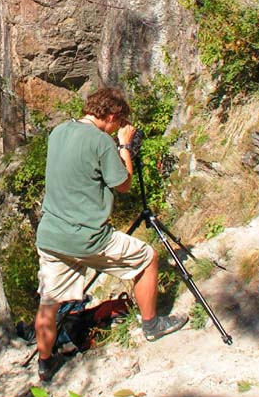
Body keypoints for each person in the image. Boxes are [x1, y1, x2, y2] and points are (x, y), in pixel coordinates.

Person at [34, 87, 188, 382]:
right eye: (120, 121)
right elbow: (124, 184)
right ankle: (151, 324)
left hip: (51, 235)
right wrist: (125, 148)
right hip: (88, 237)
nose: (120, 126)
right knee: (147, 257)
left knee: (49, 302)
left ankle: (45, 364)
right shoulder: (101, 141)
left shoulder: (58, 131)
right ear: (113, 116)